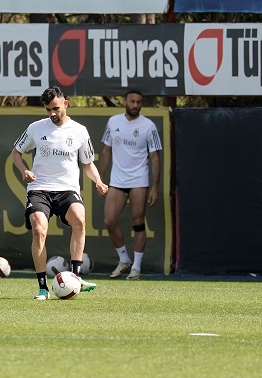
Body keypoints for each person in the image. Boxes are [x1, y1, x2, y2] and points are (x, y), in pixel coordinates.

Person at [11, 86, 108, 300]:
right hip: (40, 189)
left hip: (67, 189)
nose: (52, 113)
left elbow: (88, 163)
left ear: (65, 103)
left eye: (55, 108)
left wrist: (99, 182)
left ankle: (75, 277)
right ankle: (43, 288)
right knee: (39, 230)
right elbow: (16, 152)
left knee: (80, 220)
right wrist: (24, 170)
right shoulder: (36, 128)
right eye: (48, 110)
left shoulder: (79, 131)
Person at [99, 90, 162, 280]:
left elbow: (155, 157)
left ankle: (136, 267)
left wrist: (155, 186)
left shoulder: (148, 126)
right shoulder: (113, 122)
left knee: (138, 222)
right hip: (117, 181)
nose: (135, 105)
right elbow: (106, 151)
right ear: (125, 102)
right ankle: (124, 259)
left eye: (139, 102)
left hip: (138, 180)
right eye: (132, 101)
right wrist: (99, 179)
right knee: (109, 221)